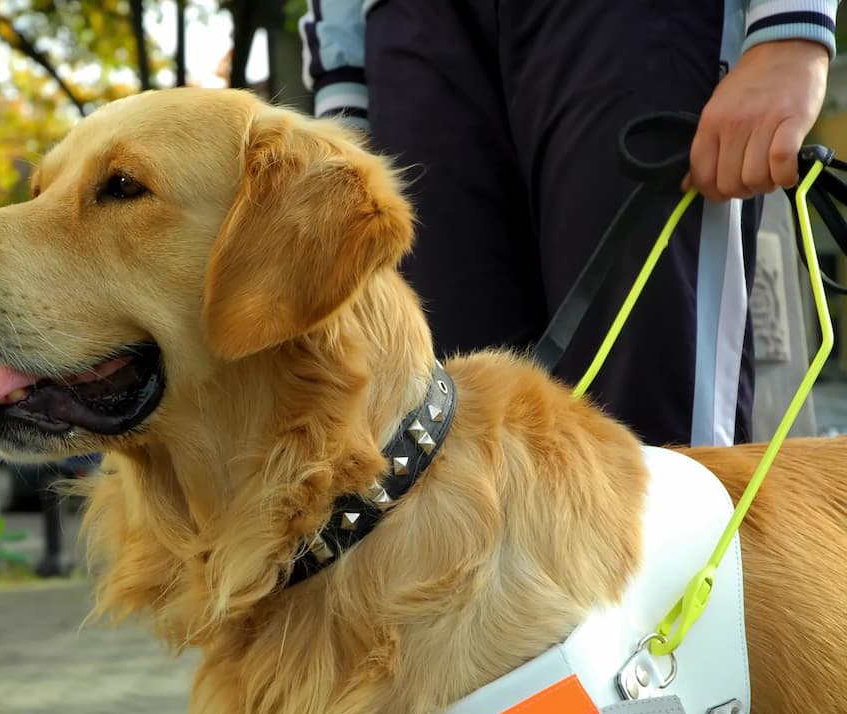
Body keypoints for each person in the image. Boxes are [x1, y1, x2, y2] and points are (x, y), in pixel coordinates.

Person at [298, 0, 838, 448]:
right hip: (414, 32)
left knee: (656, 456)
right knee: (448, 474)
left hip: (627, 23)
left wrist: (790, 23)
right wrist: (343, 97)